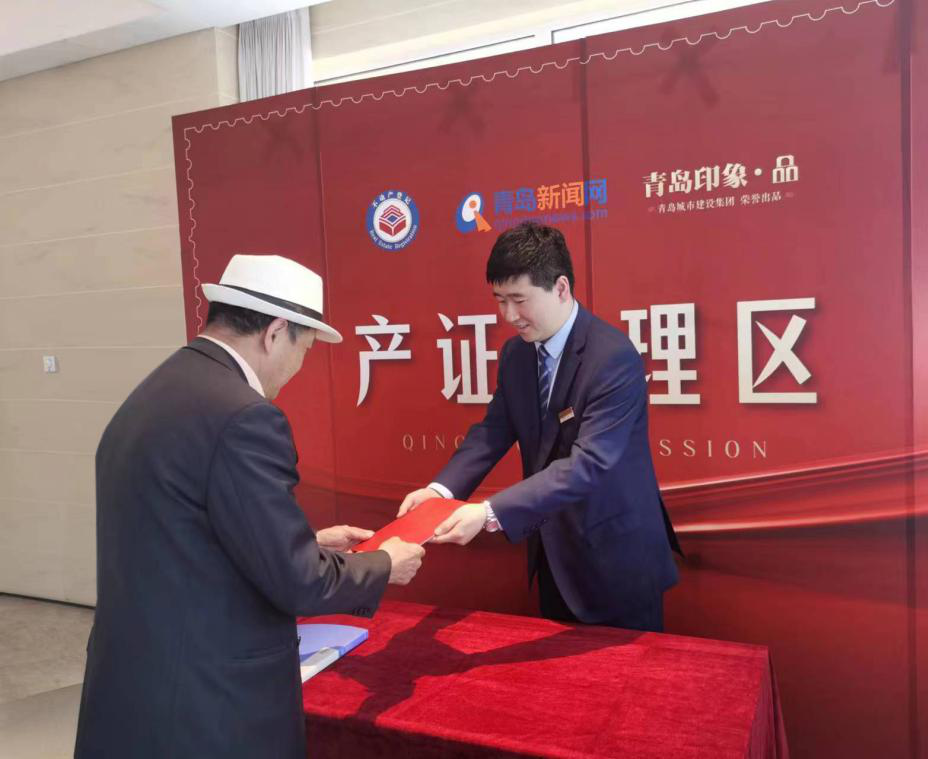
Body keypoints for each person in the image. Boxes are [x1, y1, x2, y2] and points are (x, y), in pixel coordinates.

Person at [75, 254, 425, 759]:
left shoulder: (157, 389)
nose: (299, 367)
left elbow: (183, 534)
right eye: (304, 349)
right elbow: (297, 580)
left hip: (134, 685)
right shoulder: (246, 416)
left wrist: (309, 543)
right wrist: (383, 564)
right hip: (207, 704)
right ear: (275, 332)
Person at [398, 222, 679, 632]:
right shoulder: (517, 354)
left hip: (617, 560)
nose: (508, 316)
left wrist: (489, 513)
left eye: (519, 300)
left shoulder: (612, 358)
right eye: (500, 300)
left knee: (623, 675)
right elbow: (493, 432)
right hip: (552, 552)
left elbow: (589, 464)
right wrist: (440, 492)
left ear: (561, 288)